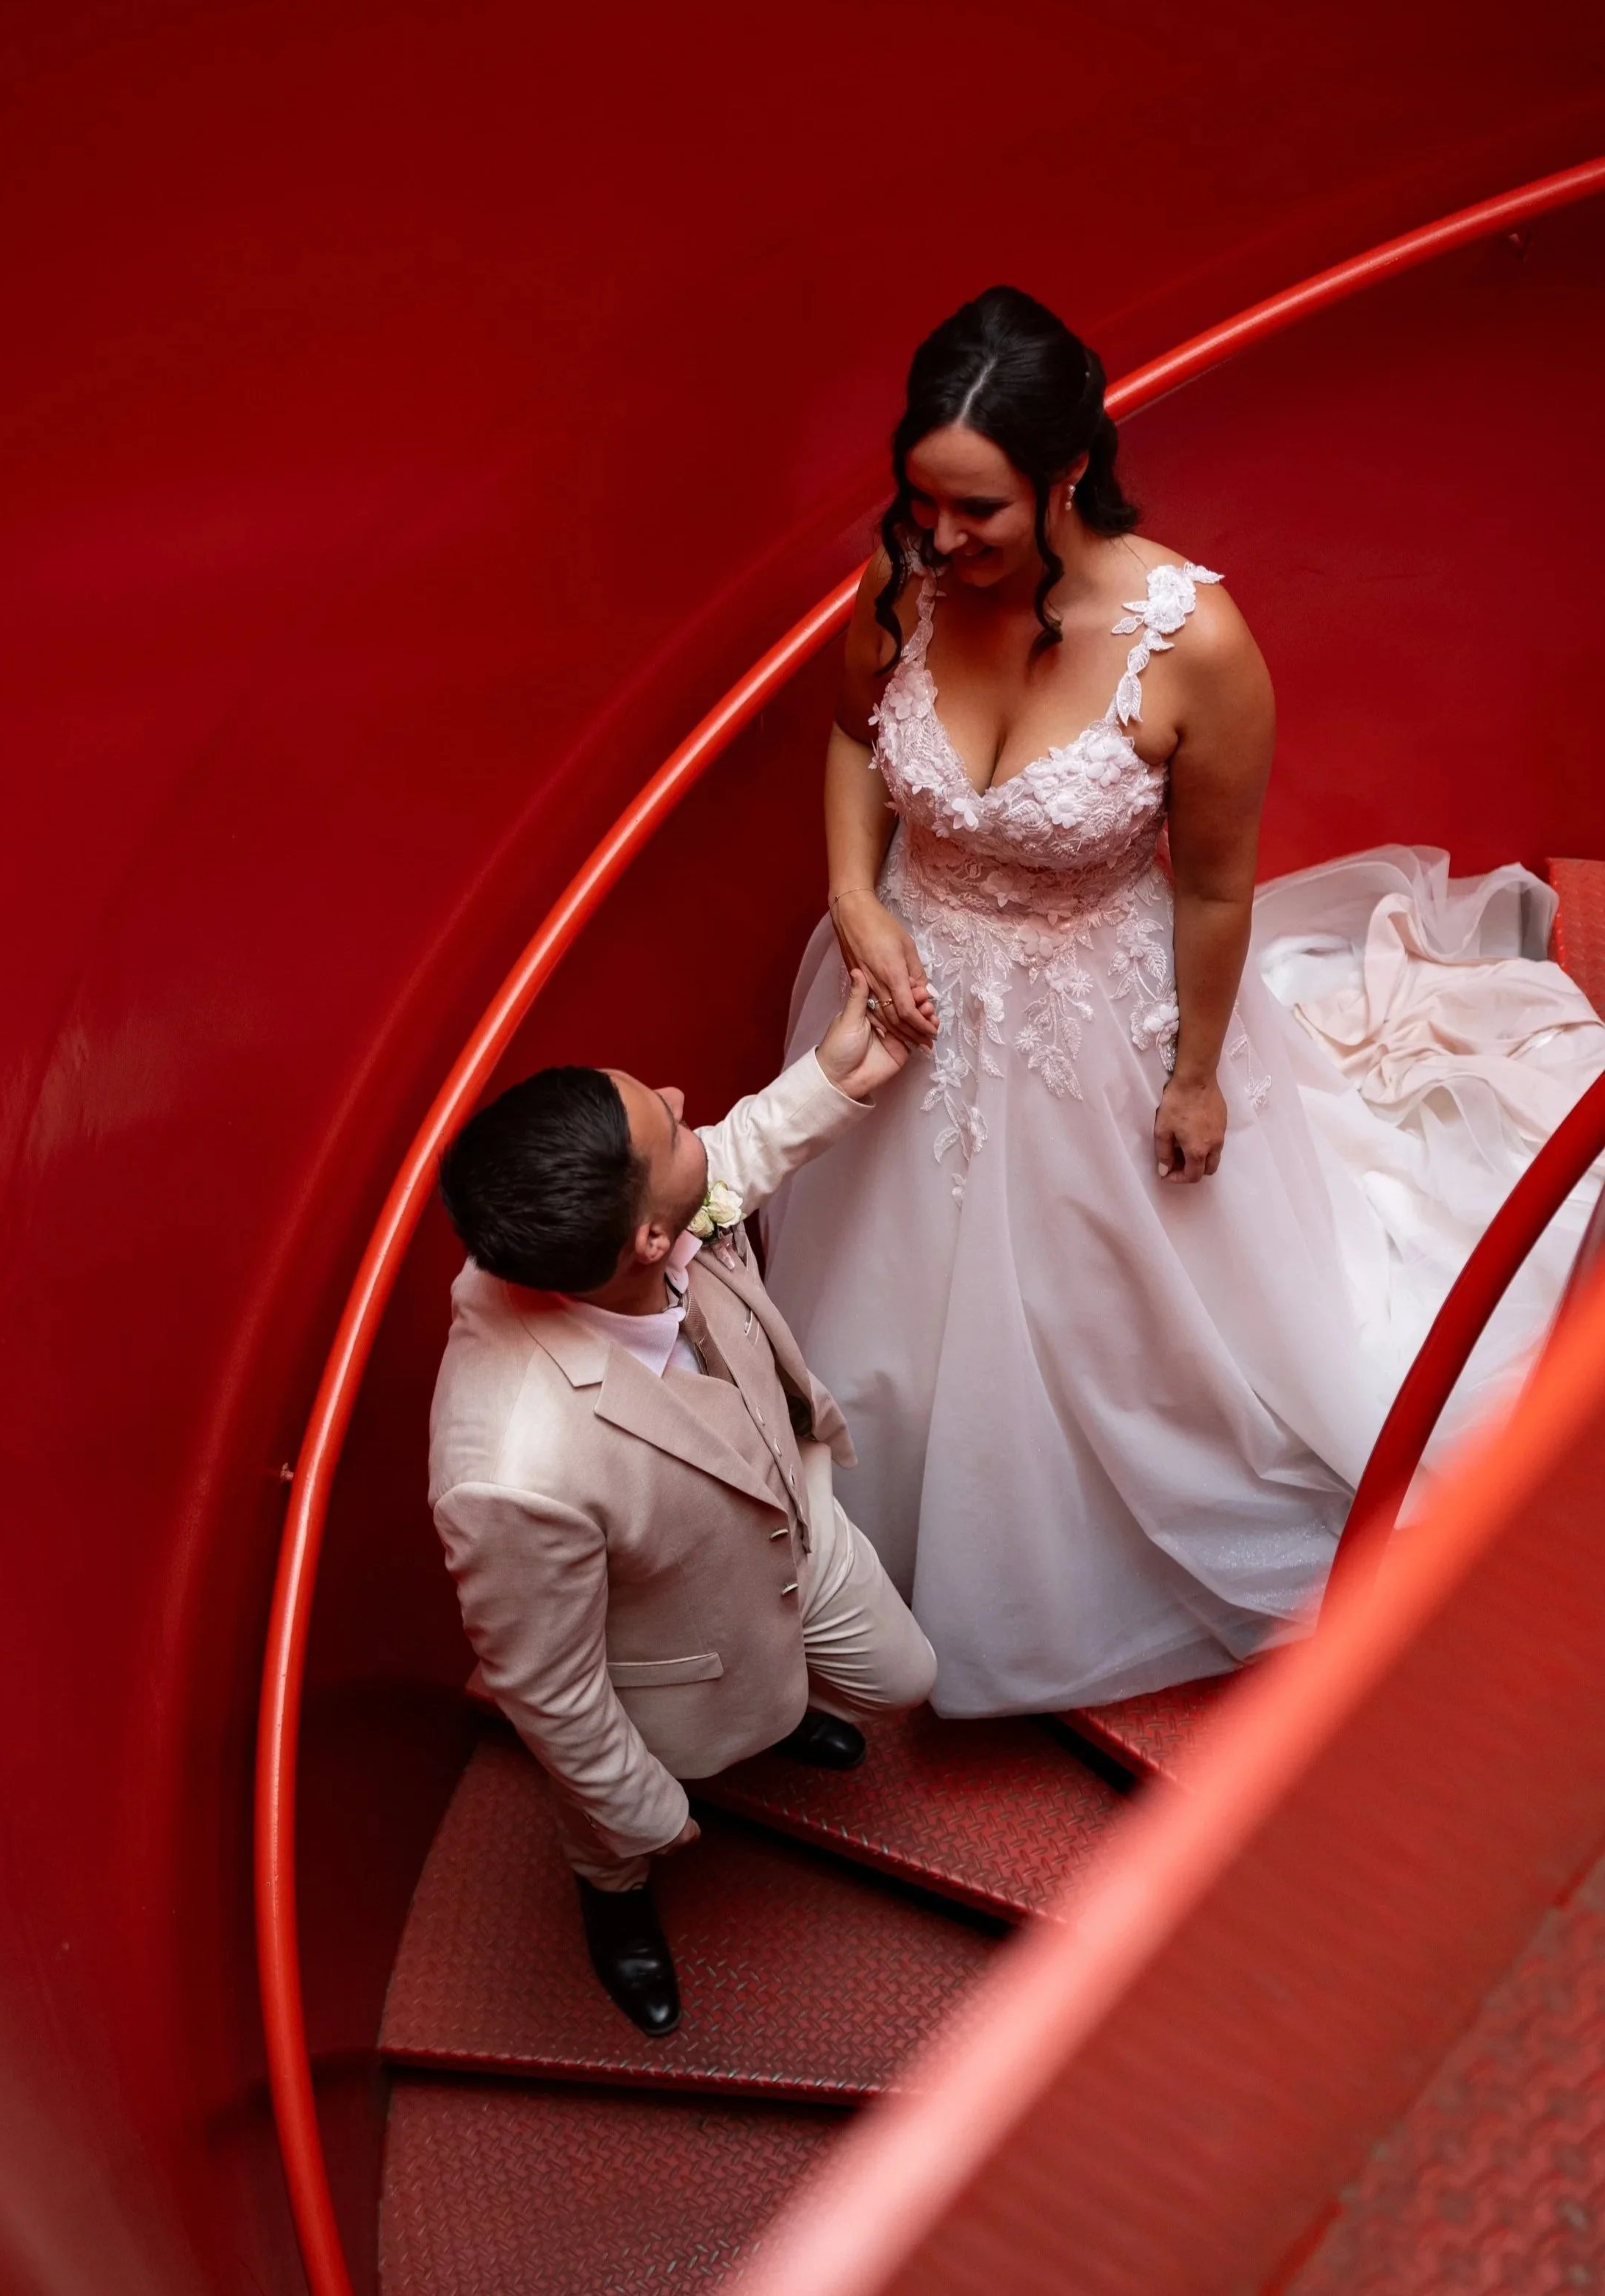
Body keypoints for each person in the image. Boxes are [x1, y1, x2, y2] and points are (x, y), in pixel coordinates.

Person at [761, 285, 1605, 1719]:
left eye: (977, 511)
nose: (940, 541)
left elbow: (1213, 887)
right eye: (921, 503)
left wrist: (1197, 1069)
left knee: (1120, 1310)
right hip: (907, 990)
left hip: (1100, 1013)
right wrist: (857, 899)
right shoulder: (901, 578)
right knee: (890, 1294)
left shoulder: (1190, 644)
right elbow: (854, 734)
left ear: (1066, 474)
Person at [429, 971, 937, 2037]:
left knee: (904, 1676)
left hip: (793, 1521)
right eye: (670, 1123)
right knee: (615, 1834)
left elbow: (728, 1166)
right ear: (648, 1247)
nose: (676, 1094)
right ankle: (613, 1904)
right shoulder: (512, 1473)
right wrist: (646, 1816)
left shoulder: (614, 1234)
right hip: (669, 1655)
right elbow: (555, 1693)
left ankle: (785, 1705)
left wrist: (840, 1077)